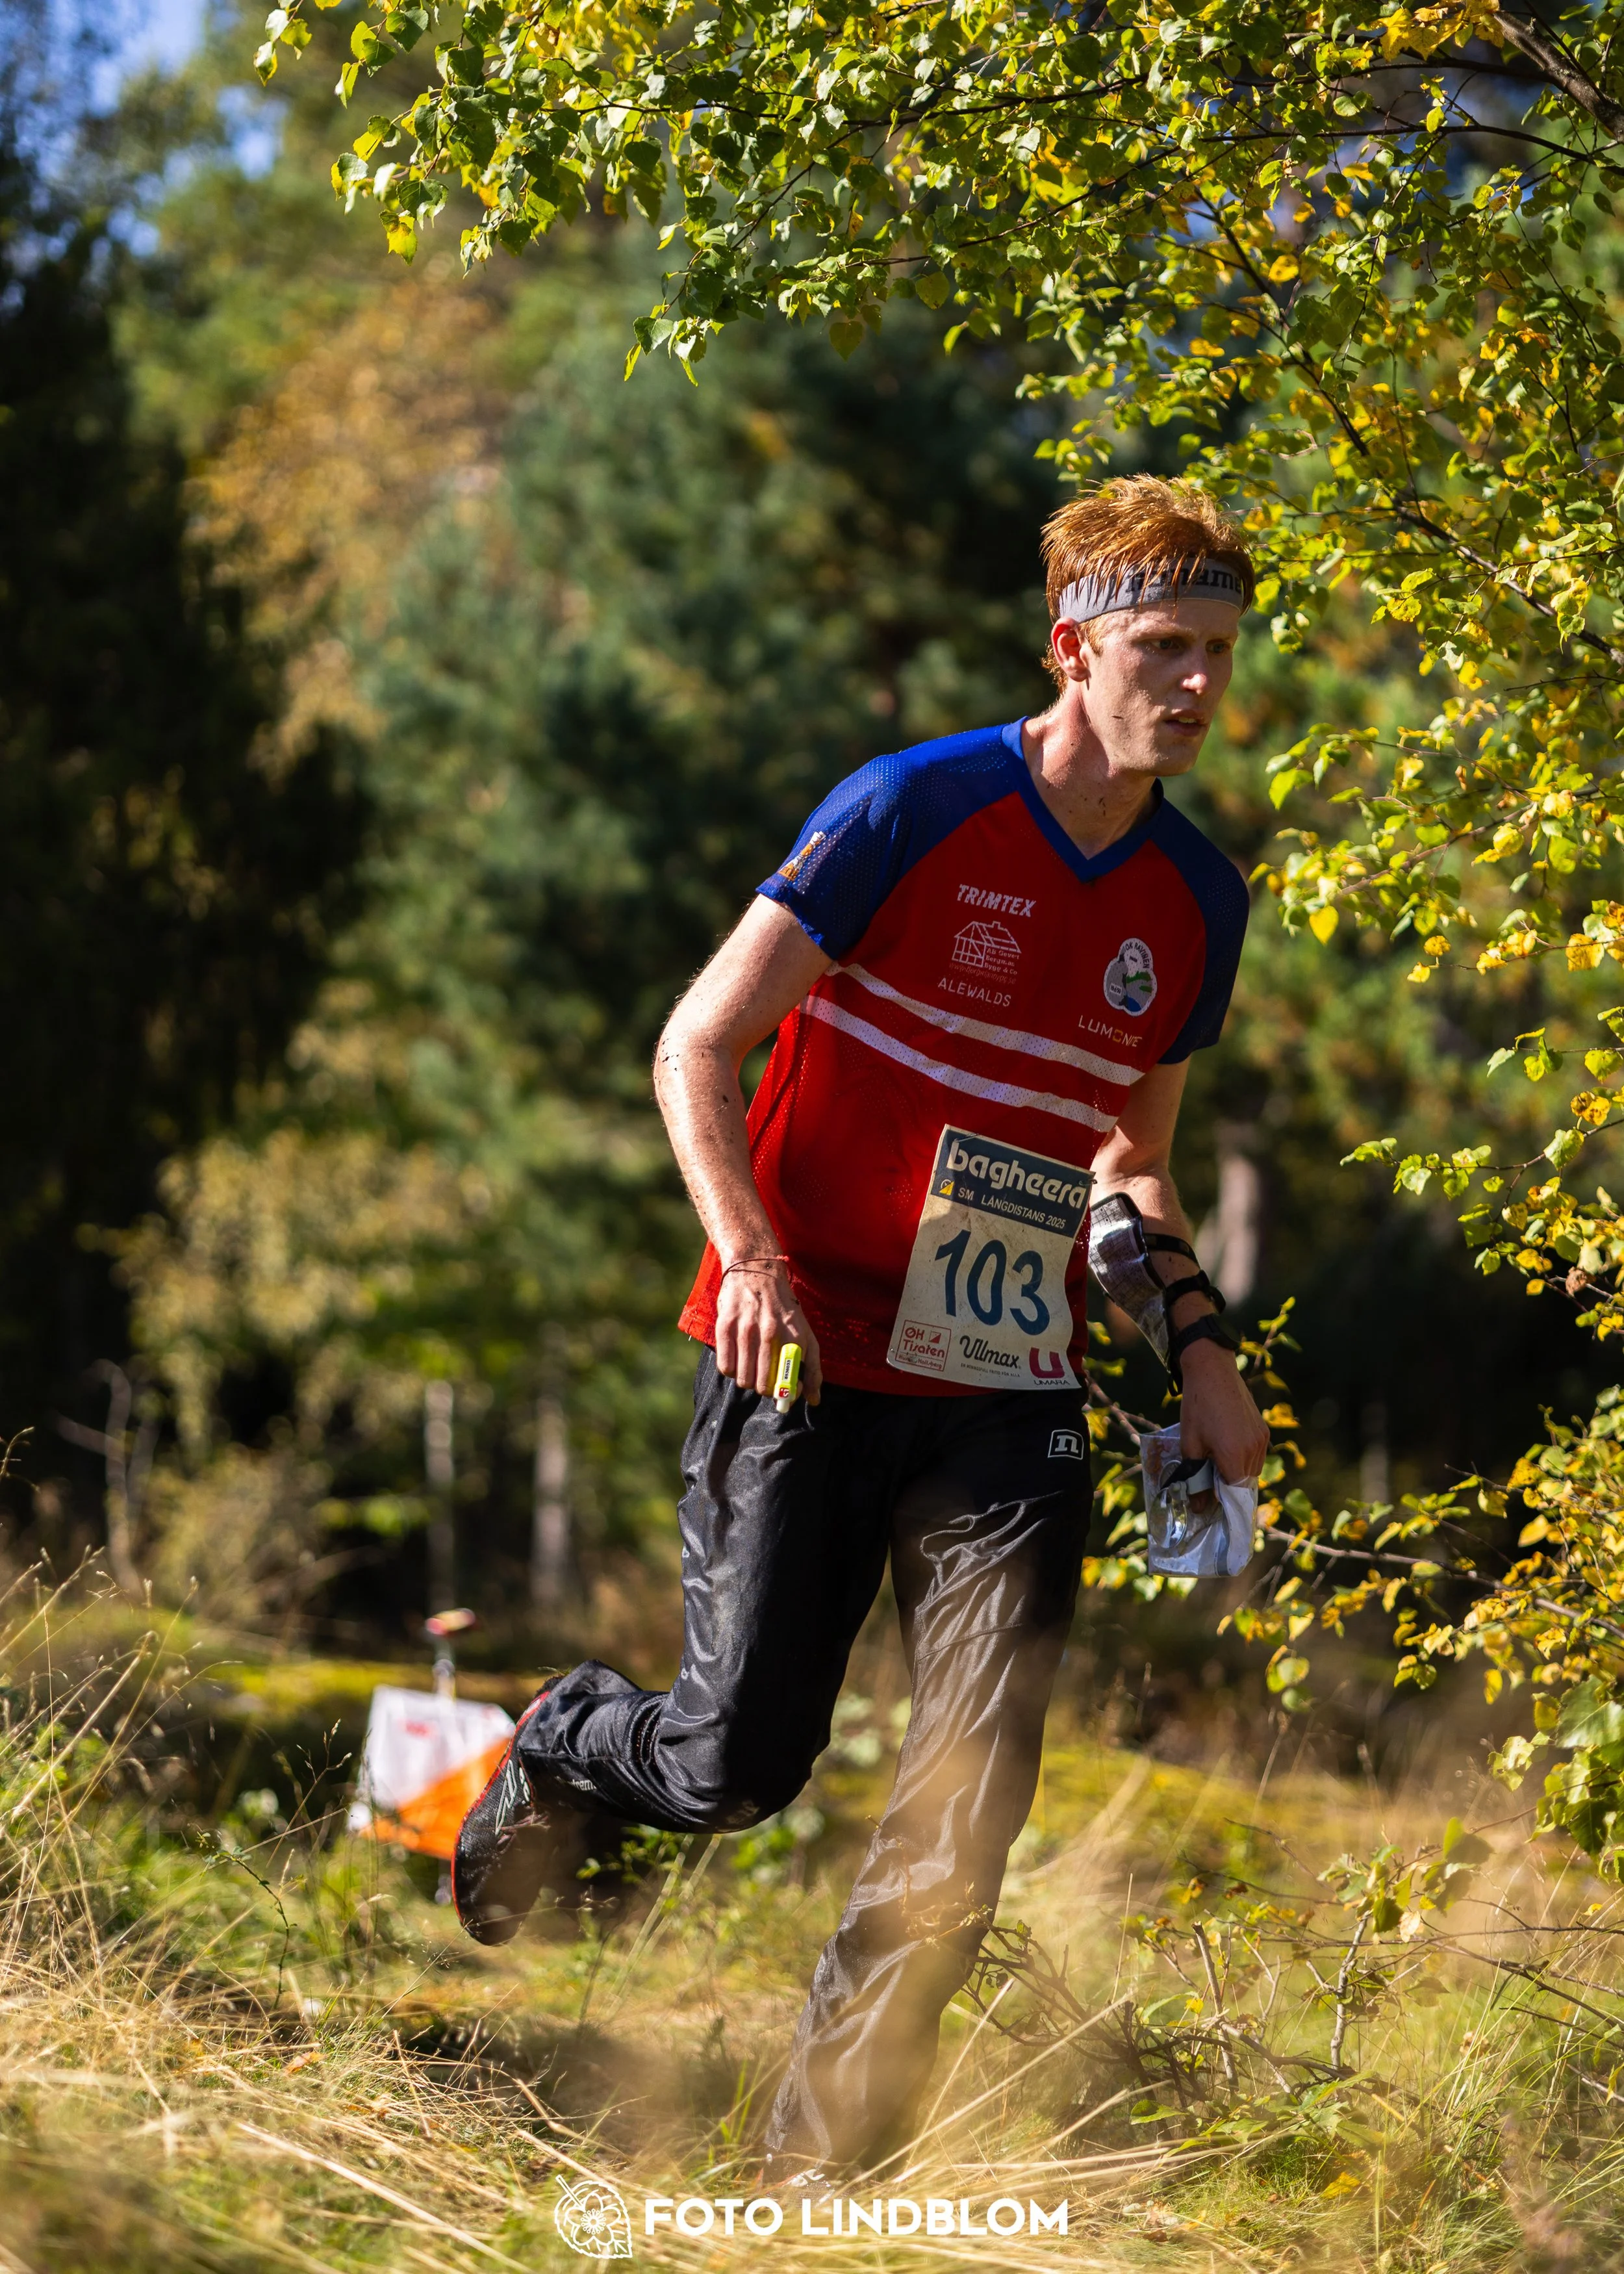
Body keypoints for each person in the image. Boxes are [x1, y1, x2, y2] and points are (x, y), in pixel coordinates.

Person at [451, 474, 1270, 2179]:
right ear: (1072, 649)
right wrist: (747, 1257)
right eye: (1161, 647)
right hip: (806, 1346)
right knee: (735, 1763)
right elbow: (697, 1043)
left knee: (968, 1808)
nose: (1196, 682)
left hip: (1006, 1386)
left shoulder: (1196, 900)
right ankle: (564, 1741)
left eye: (1216, 650)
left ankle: (813, 2180)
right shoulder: (908, 806)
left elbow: (1130, 1162)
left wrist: (1198, 1347)